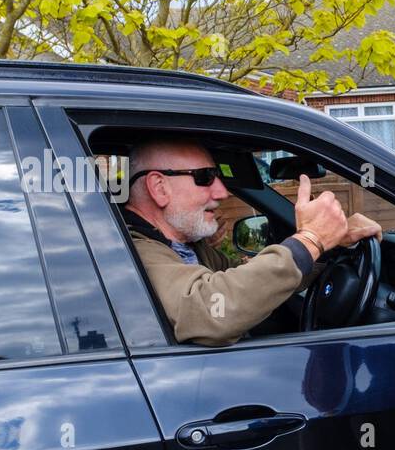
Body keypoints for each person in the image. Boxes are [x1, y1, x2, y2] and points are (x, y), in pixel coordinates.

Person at [120, 138, 380, 346]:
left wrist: (328, 245)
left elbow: (247, 284)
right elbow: (214, 311)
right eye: (205, 178)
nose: (222, 193)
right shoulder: (130, 253)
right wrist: (310, 240)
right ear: (159, 187)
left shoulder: (189, 248)